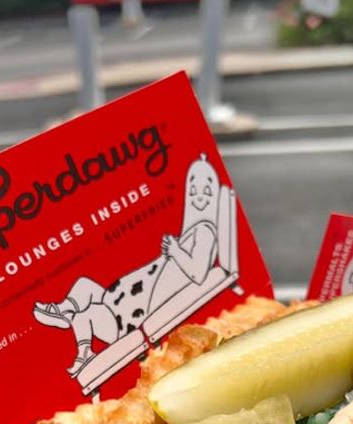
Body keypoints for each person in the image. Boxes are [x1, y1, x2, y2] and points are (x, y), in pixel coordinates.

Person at [34, 154, 223, 375]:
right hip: (122, 302)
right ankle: (65, 312)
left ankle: (84, 351)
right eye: (193, 191)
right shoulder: (192, 230)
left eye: (204, 191)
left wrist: (175, 251)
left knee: (85, 315)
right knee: (84, 285)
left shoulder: (204, 231)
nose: (196, 197)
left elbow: (199, 274)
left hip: (125, 318)